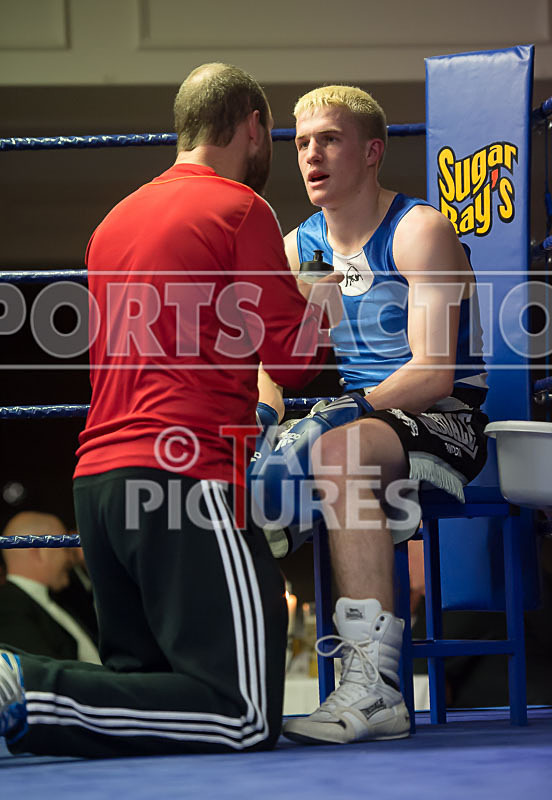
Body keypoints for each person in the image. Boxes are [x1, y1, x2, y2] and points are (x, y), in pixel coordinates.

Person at [0, 63, 342, 758]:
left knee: (148, 695)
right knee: (242, 716)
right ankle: (22, 685)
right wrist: (323, 301)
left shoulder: (110, 224)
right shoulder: (239, 209)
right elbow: (297, 360)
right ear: (252, 126)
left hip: (98, 485)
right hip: (182, 478)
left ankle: (25, 697)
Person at [259, 85, 489, 745]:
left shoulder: (419, 230)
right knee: (238, 471)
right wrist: (261, 420)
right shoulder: (295, 244)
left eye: (328, 139)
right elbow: (271, 363)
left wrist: (337, 415)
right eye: (301, 143)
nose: (311, 155)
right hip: (359, 420)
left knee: (339, 451)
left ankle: (376, 690)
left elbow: (433, 372)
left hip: (445, 420)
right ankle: (240, 683)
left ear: (371, 151)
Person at [0, 512, 100, 663]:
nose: (69, 558)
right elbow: (50, 677)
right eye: (65, 548)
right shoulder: (7, 609)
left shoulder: (60, 597)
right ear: (39, 551)